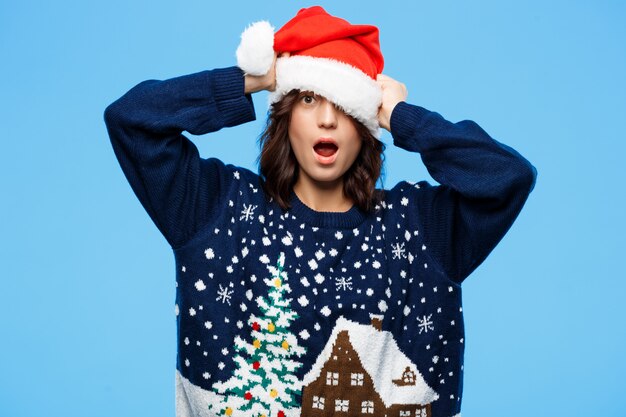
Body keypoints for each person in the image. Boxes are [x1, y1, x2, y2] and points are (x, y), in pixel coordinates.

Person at [104, 6, 536, 417]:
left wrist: (401, 117)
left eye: (346, 104)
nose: (327, 119)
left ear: (365, 123)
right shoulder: (217, 208)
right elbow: (132, 120)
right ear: (286, 116)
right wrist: (252, 80)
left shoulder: (419, 227)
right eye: (309, 99)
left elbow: (507, 176)